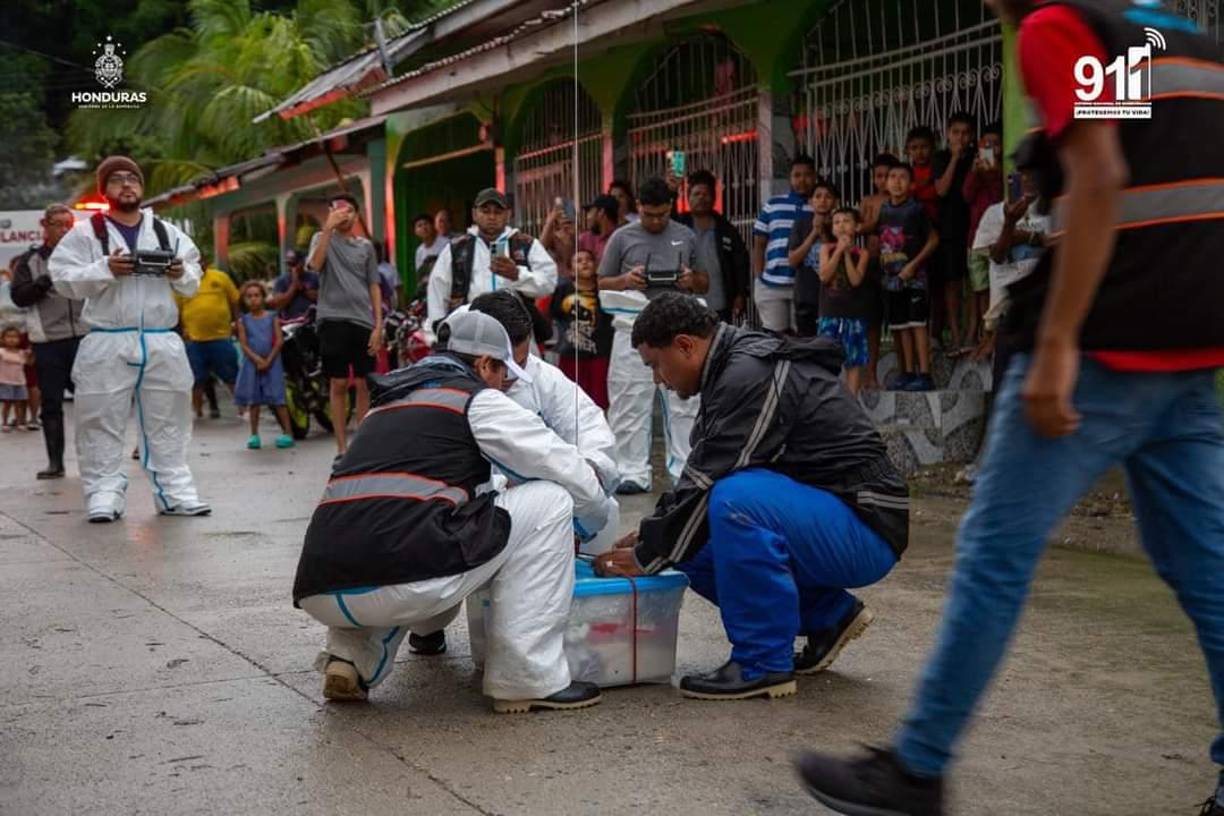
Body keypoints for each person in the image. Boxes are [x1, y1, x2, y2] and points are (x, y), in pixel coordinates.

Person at [795, 1, 1224, 813]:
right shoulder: (1162, 37)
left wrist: (1058, 339)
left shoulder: (1061, 28)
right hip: (1187, 352)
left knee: (994, 553)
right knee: (1209, 573)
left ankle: (917, 768)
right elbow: (1132, 174)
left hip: (1105, 346)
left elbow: (1099, 178)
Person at [292, 308, 611, 712]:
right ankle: (526, 677)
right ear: (483, 364)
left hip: (321, 588)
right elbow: (564, 468)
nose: (505, 383)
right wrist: (596, 521)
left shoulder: (385, 405)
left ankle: (351, 654)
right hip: (403, 582)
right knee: (552, 499)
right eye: (502, 373)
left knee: (396, 524)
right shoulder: (477, 400)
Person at [593, 293, 907, 700]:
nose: (658, 379)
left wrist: (643, 557)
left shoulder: (749, 373)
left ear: (686, 345)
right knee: (685, 543)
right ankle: (828, 616)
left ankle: (762, 663)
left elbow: (712, 480)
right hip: (827, 516)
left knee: (733, 500)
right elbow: (698, 476)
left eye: (655, 364)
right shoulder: (731, 368)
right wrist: (652, 538)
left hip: (866, 526)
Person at [406, 289, 622, 657]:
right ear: (483, 357)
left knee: (601, 505)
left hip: (511, 512)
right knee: (421, 567)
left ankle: (574, 617)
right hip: (453, 512)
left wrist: (591, 469)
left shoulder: (541, 379)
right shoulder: (441, 389)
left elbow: (589, 429)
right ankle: (426, 626)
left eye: (520, 361)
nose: (511, 375)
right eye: (503, 363)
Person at [49, 155, 209, 522]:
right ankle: (103, 493)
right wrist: (105, 268)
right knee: (99, 418)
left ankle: (176, 493)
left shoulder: (168, 233)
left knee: (169, 419)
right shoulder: (86, 234)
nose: (126, 184)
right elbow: (63, 278)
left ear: (142, 187)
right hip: (107, 338)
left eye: (132, 178)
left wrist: (178, 271)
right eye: (117, 179)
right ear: (104, 190)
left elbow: (193, 280)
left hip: (160, 338)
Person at [598, 176, 708, 494]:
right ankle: (631, 470)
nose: (656, 220)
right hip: (633, 323)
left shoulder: (686, 235)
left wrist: (690, 280)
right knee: (629, 396)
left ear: (671, 207)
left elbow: (705, 282)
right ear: (639, 208)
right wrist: (627, 280)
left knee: (684, 399)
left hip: (678, 325)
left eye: (662, 214)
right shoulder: (621, 237)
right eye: (649, 214)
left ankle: (684, 467)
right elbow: (600, 281)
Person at [9, 203, 88, 478]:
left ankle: (94, 460)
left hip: (85, 338)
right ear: (45, 225)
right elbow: (18, 297)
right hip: (48, 342)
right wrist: (44, 282)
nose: (64, 229)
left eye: (69, 224)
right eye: (57, 224)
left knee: (92, 402)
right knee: (51, 404)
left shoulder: (84, 256)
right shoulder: (29, 261)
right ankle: (56, 463)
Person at [306, 192, 382, 458]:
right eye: (337, 209)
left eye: (349, 210)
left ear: (357, 214)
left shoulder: (366, 247)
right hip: (332, 320)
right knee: (338, 383)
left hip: (363, 320)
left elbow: (374, 285)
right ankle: (341, 447)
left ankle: (360, 445)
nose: (343, 214)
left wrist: (378, 325)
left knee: (364, 383)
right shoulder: (321, 238)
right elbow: (314, 265)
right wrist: (327, 227)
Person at [426, 188, 558, 335]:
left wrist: (518, 275)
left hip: (516, 334)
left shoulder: (526, 244)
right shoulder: (456, 248)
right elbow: (437, 292)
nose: (492, 217)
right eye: (486, 211)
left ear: (508, 215)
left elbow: (549, 283)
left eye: (498, 212)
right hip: (469, 333)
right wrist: (436, 334)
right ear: (474, 214)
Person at [880, 163, 939, 391]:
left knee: (917, 323)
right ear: (885, 183)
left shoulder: (917, 209)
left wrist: (914, 265)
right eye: (892, 176)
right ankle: (906, 371)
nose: (896, 181)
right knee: (900, 325)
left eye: (902, 177)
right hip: (891, 279)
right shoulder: (884, 210)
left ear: (911, 184)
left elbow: (933, 240)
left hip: (916, 278)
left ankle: (924, 373)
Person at [673, 169, 750, 323]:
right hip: (685, 304)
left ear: (714, 197)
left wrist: (741, 294)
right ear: (688, 197)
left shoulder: (726, 229)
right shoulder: (679, 225)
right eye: (696, 194)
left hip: (719, 303)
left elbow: (740, 263)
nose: (701, 198)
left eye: (706, 194)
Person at [751, 155, 817, 334]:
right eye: (797, 175)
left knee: (803, 339)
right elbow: (759, 243)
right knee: (775, 339)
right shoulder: (773, 205)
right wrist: (759, 277)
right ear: (790, 178)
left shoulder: (819, 207)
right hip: (771, 283)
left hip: (805, 285)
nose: (802, 180)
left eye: (807, 175)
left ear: (815, 177)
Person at [931, 112, 978, 356]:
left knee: (972, 283)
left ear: (971, 136)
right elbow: (941, 190)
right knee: (952, 283)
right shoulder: (940, 158)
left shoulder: (977, 158)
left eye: (965, 133)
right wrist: (954, 159)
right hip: (948, 228)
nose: (961, 137)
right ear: (948, 134)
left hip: (972, 226)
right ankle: (956, 337)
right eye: (956, 132)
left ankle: (971, 334)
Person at [176, 252, 240, 419]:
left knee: (231, 375)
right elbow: (176, 310)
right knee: (196, 380)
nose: (198, 264)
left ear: (205, 261)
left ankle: (243, 409)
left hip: (221, 336)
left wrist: (238, 323)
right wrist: (181, 331)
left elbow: (235, 301)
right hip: (194, 339)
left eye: (200, 261)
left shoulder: (221, 277)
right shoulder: (181, 282)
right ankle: (197, 412)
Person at [817, 207, 871, 394]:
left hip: (854, 315)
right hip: (830, 314)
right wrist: (838, 251)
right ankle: (829, 405)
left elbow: (855, 280)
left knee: (854, 362)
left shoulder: (862, 253)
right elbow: (824, 276)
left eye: (846, 221)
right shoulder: (825, 249)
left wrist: (847, 253)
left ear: (856, 227)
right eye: (837, 222)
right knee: (826, 361)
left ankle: (851, 405)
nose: (841, 226)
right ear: (832, 228)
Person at [234, 281, 293, 451]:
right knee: (254, 400)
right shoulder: (243, 321)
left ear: (262, 297)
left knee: (278, 399)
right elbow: (244, 344)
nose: (253, 300)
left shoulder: (272, 317)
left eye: (256, 295)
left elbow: (279, 340)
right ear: (245, 300)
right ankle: (254, 434)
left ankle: (287, 432)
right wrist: (258, 360)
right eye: (249, 296)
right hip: (252, 364)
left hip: (273, 363)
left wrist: (268, 360)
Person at [858, 153, 900, 390]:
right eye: (879, 176)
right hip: (872, 263)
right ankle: (870, 374)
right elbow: (863, 228)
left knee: (896, 320)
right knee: (872, 323)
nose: (883, 181)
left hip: (894, 263)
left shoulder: (900, 203)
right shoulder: (868, 200)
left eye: (888, 176)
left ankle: (904, 369)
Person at [551, 249, 613, 409]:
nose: (584, 262)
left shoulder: (604, 291)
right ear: (571, 270)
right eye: (578, 260)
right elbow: (553, 314)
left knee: (599, 401)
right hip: (571, 353)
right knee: (571, 399)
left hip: (599, 354)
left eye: (588, 259)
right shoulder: (562, 290)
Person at [963, 122, 1004, 349]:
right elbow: (967, 196)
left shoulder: (1001, 169)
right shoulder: (975, 168)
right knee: (979, 289)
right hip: (974, 238)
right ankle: (983, 335)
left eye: (995, 144)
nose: (991, 148)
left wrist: (994, 174)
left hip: (996, 237)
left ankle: (992, 336)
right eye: (986, 144)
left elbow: (1000, 198)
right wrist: (975, 173)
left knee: (995, 289)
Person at [786, 178, 839, 337]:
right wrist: (814, 233)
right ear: (810, 201)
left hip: (832, 298)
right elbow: (793, 261)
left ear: (835, 202)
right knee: (807, 344)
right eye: (818, 196)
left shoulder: (839, 225)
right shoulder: (800, 224)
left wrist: (823, 233)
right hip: (806, 296)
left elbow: (837, 259)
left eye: (828, 196)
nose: (822, 200)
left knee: (830, 344)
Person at [267, 250, 319, 321]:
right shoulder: (281, 280)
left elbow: (321, 298)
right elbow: (279, 303)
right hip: (289, 323)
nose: (290, 268)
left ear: (302, 262)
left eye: (294, 264)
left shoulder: (314, 277)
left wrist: (302, 289)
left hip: (312, 322)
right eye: (288, 264)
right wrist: (294, 286)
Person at [0, 326, 32, 430]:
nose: (12, 339)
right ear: (3, 339)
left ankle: (19, 422)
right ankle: (4, 422)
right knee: (7, 403)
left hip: (20, 382)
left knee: (19, 403)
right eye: (9, 336)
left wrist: (30, 354)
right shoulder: (1, 352)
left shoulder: (21, 353)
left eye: (15, 337)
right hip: (6, 382)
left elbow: (29, 363)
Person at [906, 126, 939, 221]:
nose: (919, 152)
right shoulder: (906, 173)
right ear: (908, 150)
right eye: (914, 148)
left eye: (924, 147)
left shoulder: (938, 170)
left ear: (932, 148)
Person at [579, 194, 620, 263]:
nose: (587, 217)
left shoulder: (620, 238)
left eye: (589, 211)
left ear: (601, 212)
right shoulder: (584, 239)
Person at [413, 213, 448, 281]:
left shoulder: (446, 244)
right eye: (419, 226)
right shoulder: (419, 251)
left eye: (426, 224)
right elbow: (419, 274)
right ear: (416, 231)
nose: (424, 228)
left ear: (433, 226)